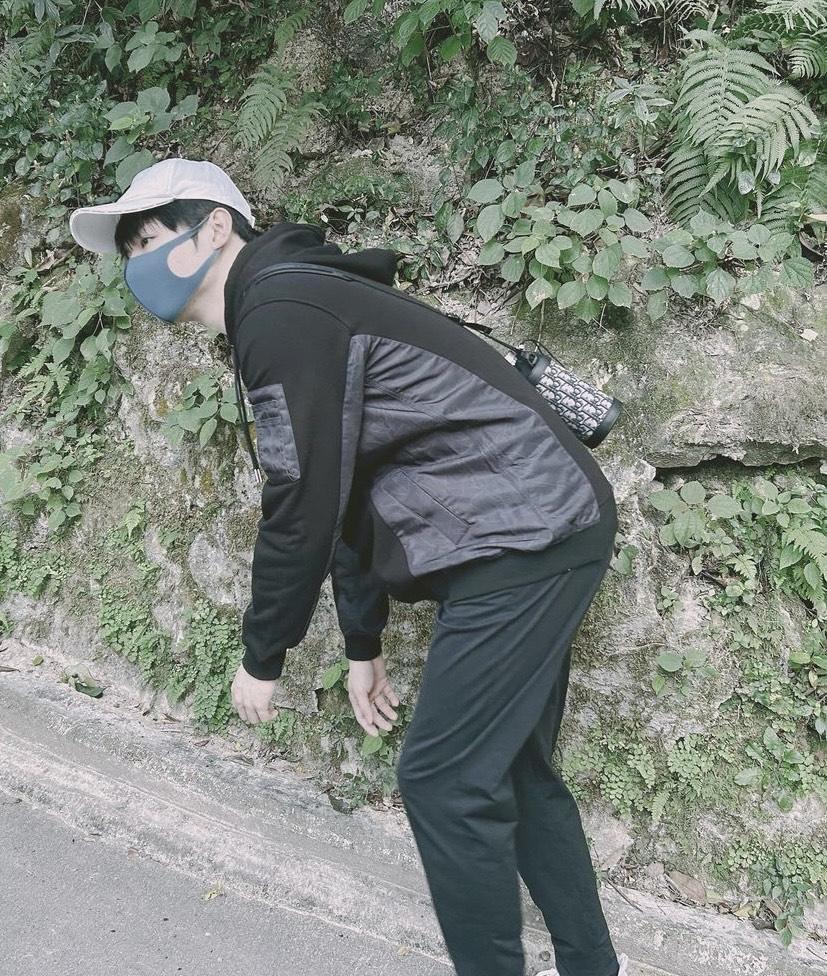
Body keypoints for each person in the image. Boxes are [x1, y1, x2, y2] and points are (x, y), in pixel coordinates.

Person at [70, 157, 631, 976]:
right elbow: (341, 491)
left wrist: (264, 653)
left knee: (444, 782)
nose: (136, 265)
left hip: (526, 531)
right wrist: (362, 644)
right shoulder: (287, 302)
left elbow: (300, 502)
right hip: (527, 527)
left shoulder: (280, 310)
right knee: (510, 768)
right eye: (127, 253)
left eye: (146, 240)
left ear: (215, 228)